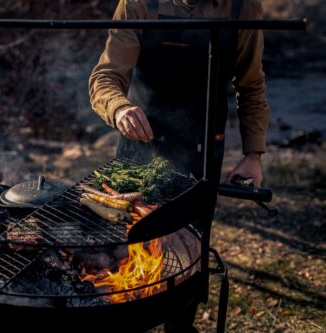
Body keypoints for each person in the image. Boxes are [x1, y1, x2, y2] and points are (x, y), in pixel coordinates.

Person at [89, 0, 269, 331]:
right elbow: (107, 76)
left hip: (202, 154)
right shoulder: (139, 3)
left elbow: (251, 84)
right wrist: (118, 109)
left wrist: (253, 154)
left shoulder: (242, 8)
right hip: (139, 150)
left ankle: (180, 325)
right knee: (125, 250)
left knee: (189, 259)